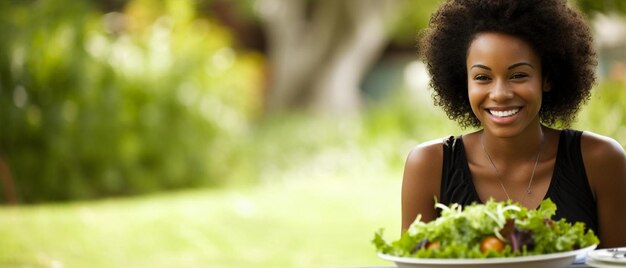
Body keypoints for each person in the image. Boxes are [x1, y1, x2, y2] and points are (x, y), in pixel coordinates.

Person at [402, 0, 626, 248]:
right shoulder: (428, 165)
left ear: (547, 78)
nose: (499, 93)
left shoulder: (601, 160)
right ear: (463, 81)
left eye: (518, 75)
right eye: (482, 77)